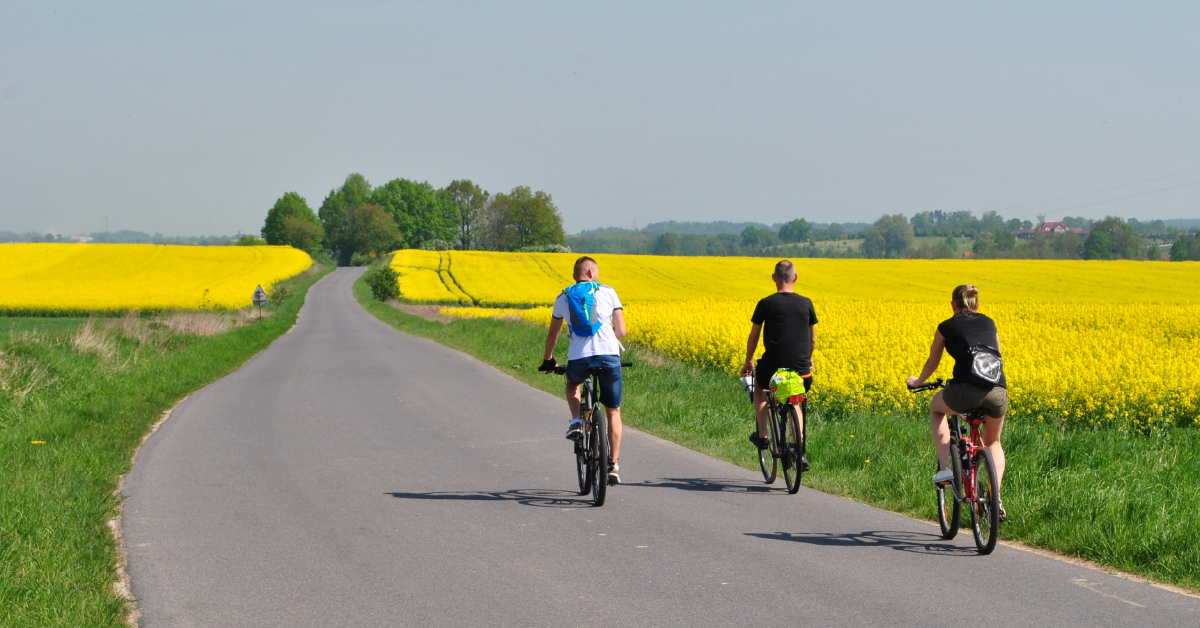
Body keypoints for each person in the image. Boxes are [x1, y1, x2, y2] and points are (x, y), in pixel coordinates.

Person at [906, 283, 1008, 521]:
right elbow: (998, 358)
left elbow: (932, 364)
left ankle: (944, 470)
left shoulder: (946, 326)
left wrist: (918, 381)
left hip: (964, 392)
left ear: (952, 305)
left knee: (936, 408)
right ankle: (996, 496)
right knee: (993, 441)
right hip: (997, 391)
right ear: (977, 304)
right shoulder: (989, 323)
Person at [540, 256, 628, 485]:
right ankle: (614, 466)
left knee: (572, 384)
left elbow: (553, 334)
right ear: (590, 273)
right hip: (609, 357)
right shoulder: (608, 291)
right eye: (596, 272)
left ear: (575, 275)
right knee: (613, 412)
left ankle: (577, 422)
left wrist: (549, 359)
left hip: (579, 357)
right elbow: (621, 331)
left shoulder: (564, 297)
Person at [740, 260, 817, 471]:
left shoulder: (766, 303)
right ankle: (797, 449)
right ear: (795, 277)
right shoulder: (806, 303)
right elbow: (812, 340)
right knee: (795, 402)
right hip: (801, 371)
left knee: (760, 388)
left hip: (773, 368)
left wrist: (748, 361)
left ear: (774, 277)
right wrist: (808, 359)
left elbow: (753, 337)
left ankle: (763, 436)